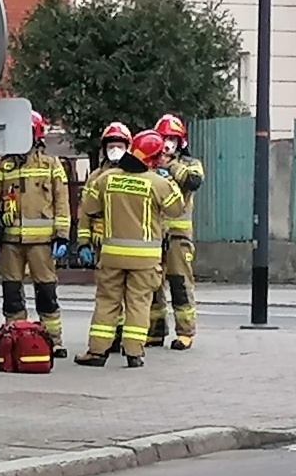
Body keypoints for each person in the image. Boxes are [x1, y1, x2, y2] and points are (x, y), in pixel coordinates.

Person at [73, 129, 185, 368]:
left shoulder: (107, 179)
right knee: (139, 303)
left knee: (106, 302)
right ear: (153, 158)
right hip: (145, 259)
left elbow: (90, 206)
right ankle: (134, 354)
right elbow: (177, 209)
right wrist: (170, 181)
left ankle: (96, 353)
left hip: (112, 255)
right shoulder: (158, 183)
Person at [0, 110, 72, 357]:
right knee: (11, 293)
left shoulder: (51, 165)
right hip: (10, 241)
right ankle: (15, 337)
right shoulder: (5, 166)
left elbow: (61, 202)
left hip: (42, 243)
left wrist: (62, 235)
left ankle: (53, 341)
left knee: (46, 292)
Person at [146, 113, 207, 351]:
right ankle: (155, 331)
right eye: (164, 137)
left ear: (181, 141)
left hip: (178, 237)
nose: (168, 142)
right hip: (153, 234)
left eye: (173, 138)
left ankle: (185, 332)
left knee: (180, 284)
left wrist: (169, 164)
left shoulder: (190, 164)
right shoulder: (149, 165)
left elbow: (194, 181)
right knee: (152, 286)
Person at [77, 122, 134, 353]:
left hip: (129, 244)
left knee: (131, 294)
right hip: (105, 247)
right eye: (111, 145)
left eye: (119, 145)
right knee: (109, 294)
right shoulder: (95, 177)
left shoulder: (135, 174)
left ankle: (126, 338)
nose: (115, 149)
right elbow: (86, 212)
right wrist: (84, 242)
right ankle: (111, 337)